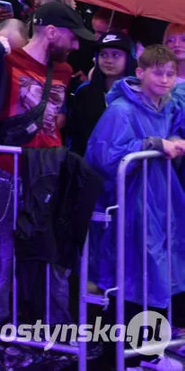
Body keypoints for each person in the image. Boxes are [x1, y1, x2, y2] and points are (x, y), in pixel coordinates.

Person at [0, 2, 90, 328]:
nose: (77, 45)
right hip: (4, 173)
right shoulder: (2, 61)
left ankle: (56, 332)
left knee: (54, 252)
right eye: (73, 37)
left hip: (48, 174)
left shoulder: (64, 71)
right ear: (51, 32)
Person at [85, 44, 185, 371]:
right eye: (158, 72)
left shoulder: (166, 108)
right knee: (131, 276)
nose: (166, 80)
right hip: (130, 206)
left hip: (158, 204)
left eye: (170, 73)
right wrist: (153, 145)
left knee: (157, 273)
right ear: (140, 73)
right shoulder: (122, 112)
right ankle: (126, 352)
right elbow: (104, 157)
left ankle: (149, 352)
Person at [64, 33, 136, 156]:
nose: (108, 60)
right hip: (87, 165)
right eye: (103, 55)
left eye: (116, 55)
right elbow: (74, 133)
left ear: (128, 58)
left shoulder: (138, 95)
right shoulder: (84, 92)